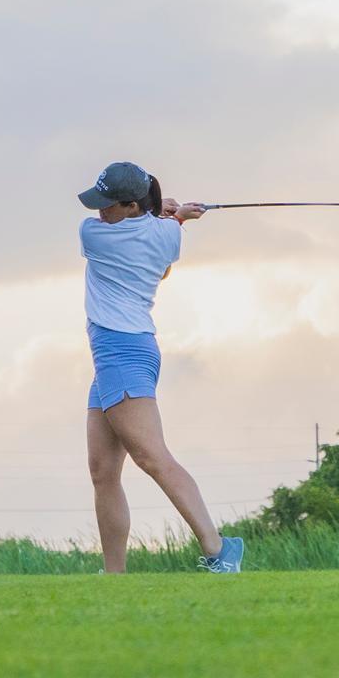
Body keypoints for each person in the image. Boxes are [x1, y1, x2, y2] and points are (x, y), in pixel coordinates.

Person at [76, 160, 244, 574]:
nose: (100, 211)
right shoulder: (168, 234)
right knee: (102, 471)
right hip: (121, 354)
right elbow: (161, 265)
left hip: (121, 351)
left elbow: (143, 238)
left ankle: (220, 550)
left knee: (153, 458)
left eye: (109, 204)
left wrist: (164, 212)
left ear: (132, 205)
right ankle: (114, 575)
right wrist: (172, 218)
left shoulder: (93, 235)